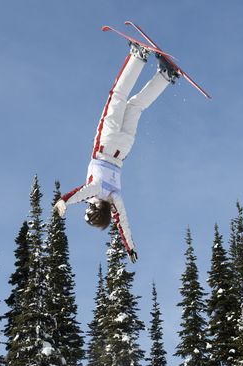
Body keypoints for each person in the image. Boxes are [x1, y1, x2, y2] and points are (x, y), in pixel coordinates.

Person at [54, 42, 179, 263]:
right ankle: (138, 57)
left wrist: (130, 247)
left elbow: (123, 221)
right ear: (93, 209)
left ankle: (165, 77)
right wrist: (64, 201)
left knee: (135, 107)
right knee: (118, 96)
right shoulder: (95, 191)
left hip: (124, 148)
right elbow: (81, 193)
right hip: (107, 144)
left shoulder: (114, 198)